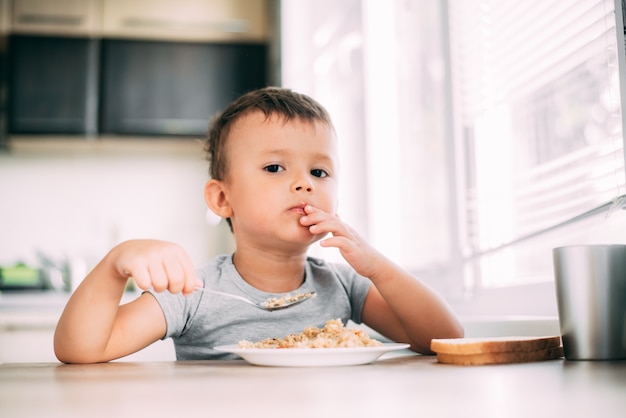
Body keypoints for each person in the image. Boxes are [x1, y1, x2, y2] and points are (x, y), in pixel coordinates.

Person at [54, 87, 464, 363]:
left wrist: (378, 267)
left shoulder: (342, 285)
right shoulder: (196, 293)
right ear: (222, 198)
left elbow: (443, 340)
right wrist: (114, 265)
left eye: (320, 172)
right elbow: (82, 349)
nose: (304, 182)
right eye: (274, 167)